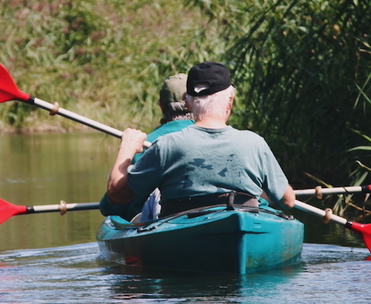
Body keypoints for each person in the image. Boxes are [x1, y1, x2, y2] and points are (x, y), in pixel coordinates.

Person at [106, 61, 298, 217]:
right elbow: (287, 201)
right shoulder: (255, 143)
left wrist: (127, 148)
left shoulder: (165, 145)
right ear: (230, 100)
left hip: (182, 231)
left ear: (187, 102)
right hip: (244, 219)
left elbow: (116, 196)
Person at [97, 74, 194, 223]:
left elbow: (111, 207)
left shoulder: (144, 145)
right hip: (207, 215)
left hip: (157, 222)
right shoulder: (216, 137)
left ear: (161, 105)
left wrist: (127, 148)